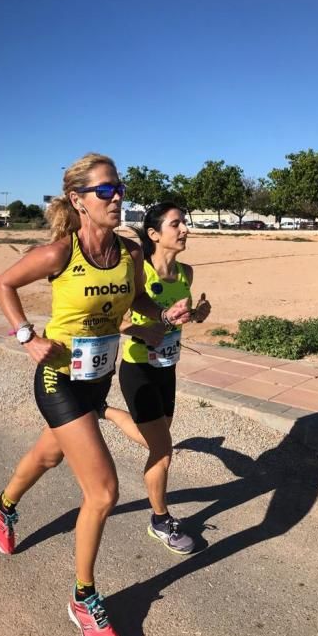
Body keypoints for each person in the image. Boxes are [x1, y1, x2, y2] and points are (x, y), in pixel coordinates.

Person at [0, 154, 191, 636]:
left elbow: (139, 303)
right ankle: (83, 597)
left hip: (97, 378)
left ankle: (1, 504)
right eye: (104, 191)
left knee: (51, 454)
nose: (116, 196)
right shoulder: (58, 253)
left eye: (118, 188)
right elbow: (3, 284)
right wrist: (26, 335)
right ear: (78, 201)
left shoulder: (128, 255)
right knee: (103, 491)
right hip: (57, 379)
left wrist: (162, 315)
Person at [102, 202, 211, 555]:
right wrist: (146, 329)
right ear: (154, 234)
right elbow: (115, 322)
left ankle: (105, 412)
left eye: (185, 223)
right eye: (176, 224)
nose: (185, 230)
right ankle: (160, 520)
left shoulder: (186, 274)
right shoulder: (138, 274)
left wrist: (196, 316)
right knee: (162, 451)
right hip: (138, 369)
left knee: (155, 439)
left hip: (168, 368)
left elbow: (176, 318)